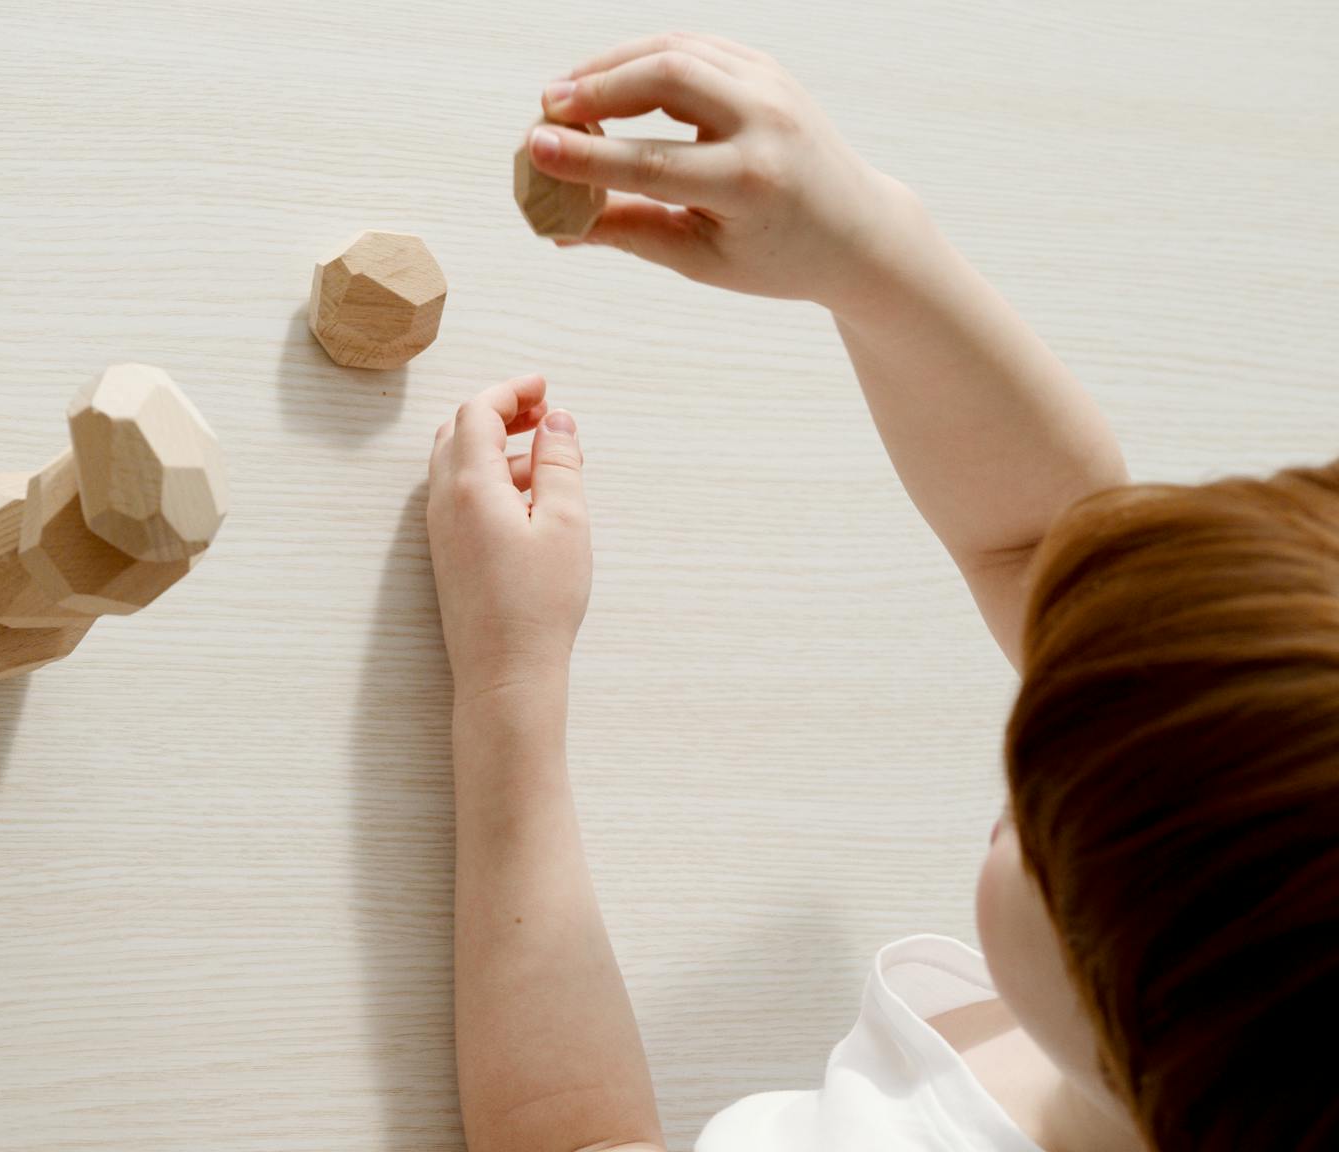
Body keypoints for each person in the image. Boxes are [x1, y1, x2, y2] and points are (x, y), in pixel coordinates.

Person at [427, 31, 1339, 1152]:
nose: (1020, 738)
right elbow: (1041, 544)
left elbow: (568, 1135)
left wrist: (508, 682)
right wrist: (866, 251)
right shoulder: (1218, 1025)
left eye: (1045, 835)